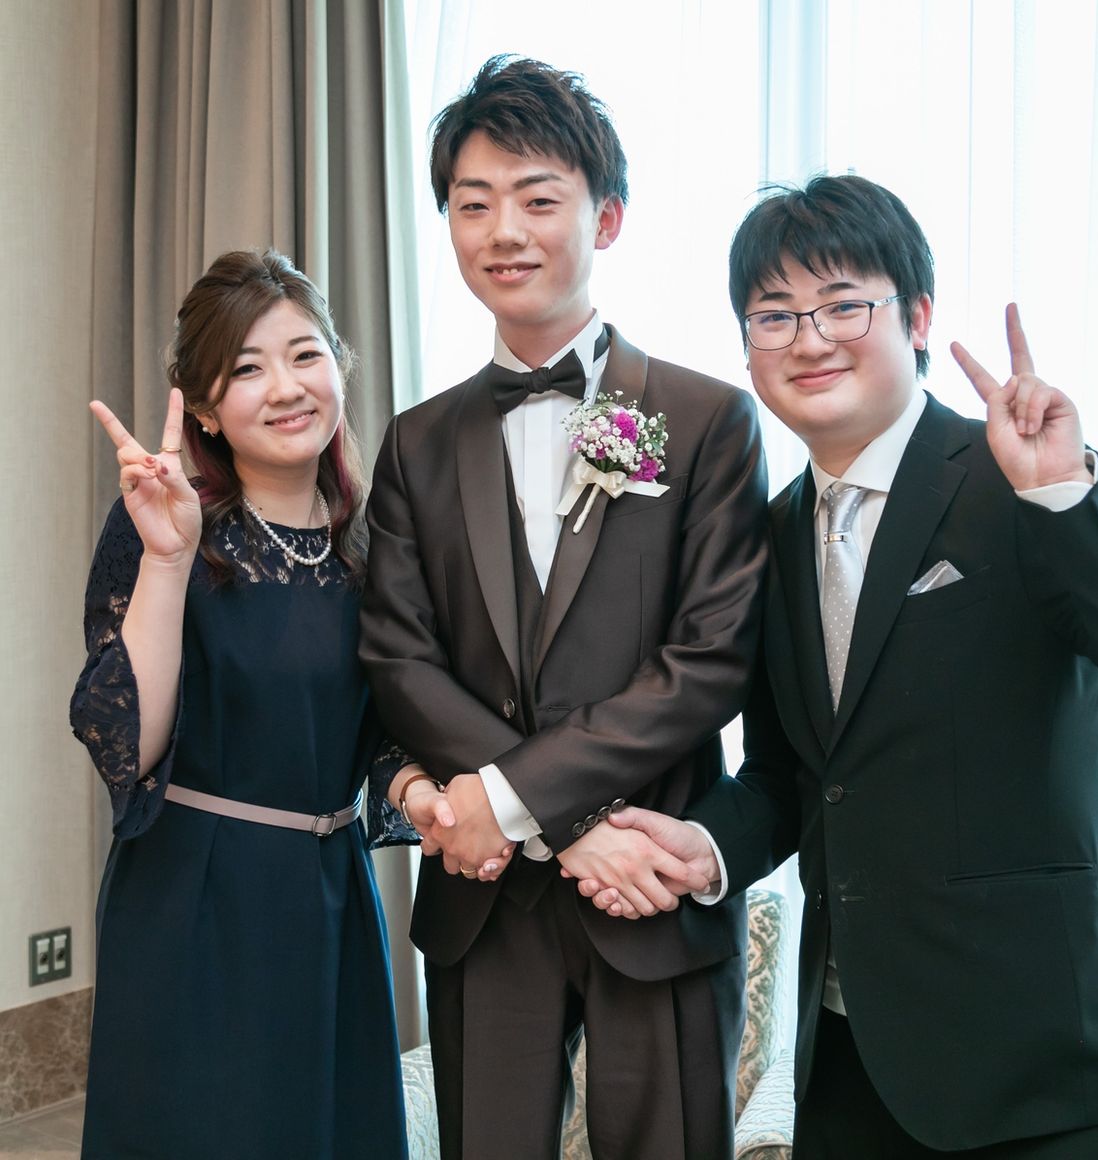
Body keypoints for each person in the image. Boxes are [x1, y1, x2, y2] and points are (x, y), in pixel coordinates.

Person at [582, 175, 1098, 1158]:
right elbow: (791, 777)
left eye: (843, 304)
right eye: (774, 315)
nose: (808, 339)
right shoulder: (766, 537)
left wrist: (1067, 494)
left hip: (1037, 1068)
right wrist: (705, 847)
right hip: (851, 1065)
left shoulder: (1018, 482)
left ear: (917, 315)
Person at [358, 55, 769, 1160]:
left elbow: (709, 660)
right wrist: (563, 827)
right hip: (486, 897)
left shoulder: (707, 419)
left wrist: (517, 798)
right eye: (473, 204)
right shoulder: (415, 441)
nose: (504, 231)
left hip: (650, 886)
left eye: (538, 199)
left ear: (608, 216)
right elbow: (399, 659)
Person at [71, 249, 416, 1160]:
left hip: (334, 894)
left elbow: (392, 729)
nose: (287, 387)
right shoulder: (165, 524)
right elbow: (132, 746)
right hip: (198, 899)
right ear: (205, 408)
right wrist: (167, 559)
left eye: (305, 355)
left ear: (340, 365)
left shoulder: (374, 541)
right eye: (248, 369)